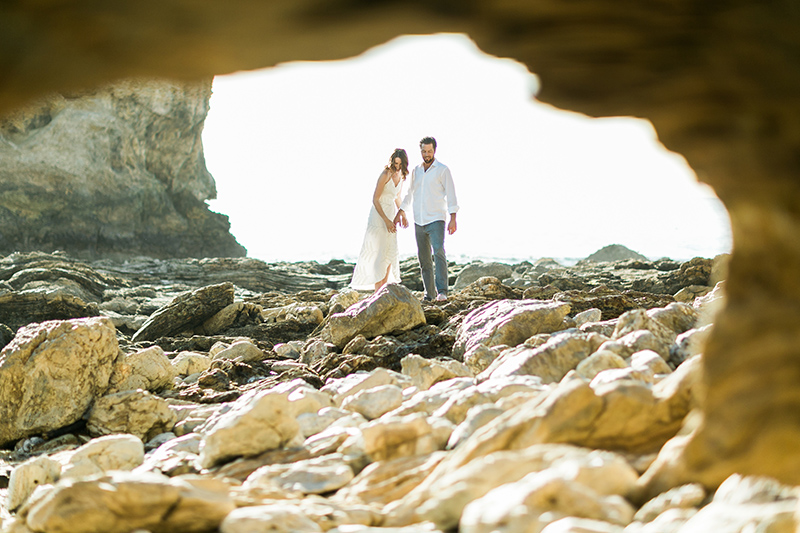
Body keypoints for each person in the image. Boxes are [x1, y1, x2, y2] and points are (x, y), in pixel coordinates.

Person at [394, 136, 458, 301]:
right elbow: (410, 194)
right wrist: (401, 211)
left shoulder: (443, 170)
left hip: (436, 218)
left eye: (429, 151)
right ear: (420, 151)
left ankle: (442, 291)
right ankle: (429, 294)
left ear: (434, 151)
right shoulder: (416, 170)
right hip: (419, 220)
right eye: (424, 151)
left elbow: (451, 195)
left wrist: (453, 218)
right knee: (424, 259)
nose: (427, 154)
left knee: (438, 252)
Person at [350, 148, 409, 292]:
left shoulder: (401, 175)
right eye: (395, 163)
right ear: (392, 161)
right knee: (378, 250)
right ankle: (377, 290)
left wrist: (403, 214)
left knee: (389, 249)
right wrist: (386, 221)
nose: (397, 167)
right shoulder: (385, 174)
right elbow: (375, 199)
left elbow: (397, 197)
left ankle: (383, 288)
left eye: (400, 164)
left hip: (391, 213)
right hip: (379, 214)